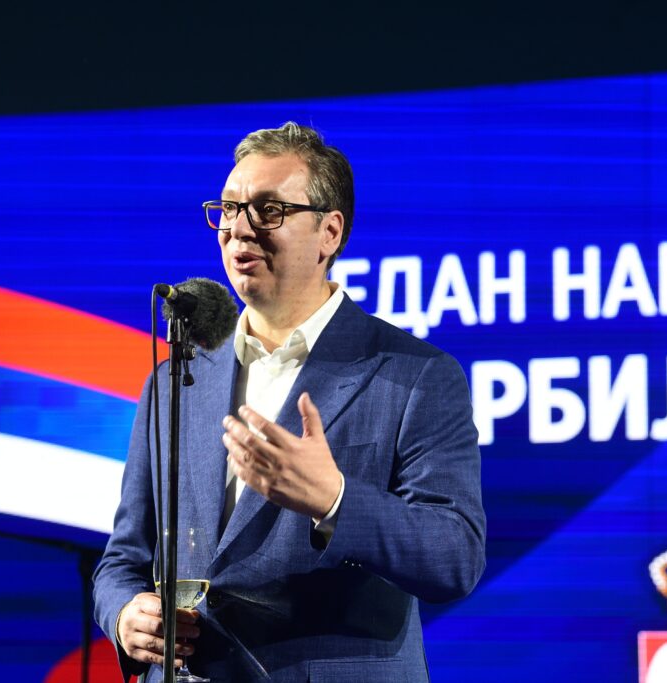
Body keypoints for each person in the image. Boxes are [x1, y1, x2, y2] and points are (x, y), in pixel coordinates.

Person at [93, 122, 486, 682]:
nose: (238, 229)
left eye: (268, 210)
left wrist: (334, 500)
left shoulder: (415, 374)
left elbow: (455, 556)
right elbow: (123, 558)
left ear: (329, 232)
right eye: (229, 209)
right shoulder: (174, 379)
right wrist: (124, 615)